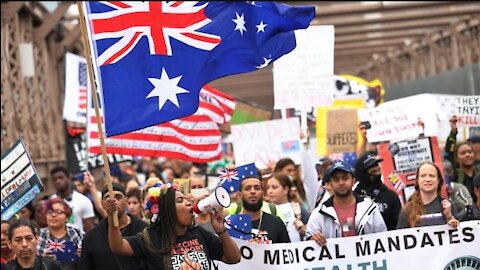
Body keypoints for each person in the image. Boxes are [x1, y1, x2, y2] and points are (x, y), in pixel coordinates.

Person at [102, 183, 241, 270]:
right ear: (166, 209)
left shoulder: (199, 233)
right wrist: (111, 216)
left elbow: (233, 258)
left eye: (187, 200)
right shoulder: (150, 238)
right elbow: (117, 246)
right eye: (180, 200)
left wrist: (222, 232)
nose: (188, 204)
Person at [305, 160, 387, 246]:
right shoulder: (319, 213)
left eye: (345, 178)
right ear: (330, 184)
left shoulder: (369, 207)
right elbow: (307, 242)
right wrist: (313, 239)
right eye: (336, 179)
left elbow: (383, 237)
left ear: (353, 181)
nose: (341, 183)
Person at [79, 183, 148, 270]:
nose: (113, 202)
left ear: (126, 201)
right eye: (108, 198)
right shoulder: (91, 238)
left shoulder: (145, 230)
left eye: (118, 197)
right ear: (102, 204)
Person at [397, 162, 460, 229]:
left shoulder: (447, 205)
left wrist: (449, 217)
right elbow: (400, 236)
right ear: (418, 180)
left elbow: (459, 233)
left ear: (438, 180)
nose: (427, 179)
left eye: (432, 176)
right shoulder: (408, 209)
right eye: (423, 176)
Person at [353, 152, 402, 231]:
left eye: (377, 165)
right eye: (372, 167)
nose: (376, 168)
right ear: (362, 173)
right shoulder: (353, 197)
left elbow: (399, 226)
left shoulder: (391, 196)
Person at [37, 198, 84, 270]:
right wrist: (41, 260)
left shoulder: (79, 234)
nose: (53, 215)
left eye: (58, 212)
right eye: (49, 212)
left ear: (67, 217)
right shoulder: (37, 236)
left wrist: (84, 255)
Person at [50, 166, 96, 232]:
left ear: (68, 178)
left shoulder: (83, 201)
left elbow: (90, 230)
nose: (58, 181)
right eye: (55, 179)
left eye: (61, 178)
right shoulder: (49, 202)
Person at [266, 173, 309, 242]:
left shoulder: (298, 209)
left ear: (286, 189)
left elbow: (312, 233)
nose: (270, 191)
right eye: (268, 188)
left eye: (274, 187)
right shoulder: (263, 210)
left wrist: (303, 229)